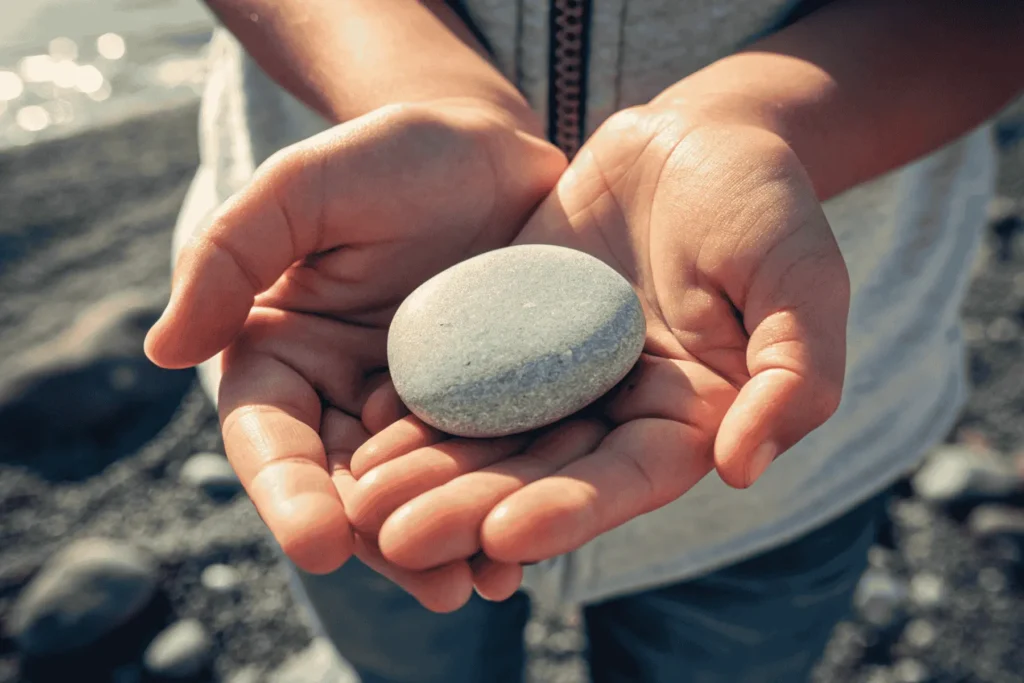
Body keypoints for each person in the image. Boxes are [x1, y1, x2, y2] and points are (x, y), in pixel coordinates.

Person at [145, 1, 1024, 681]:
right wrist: (419, 88)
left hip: (773, 435)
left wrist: (763, 118)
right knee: (398, 646)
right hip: (343, 325)